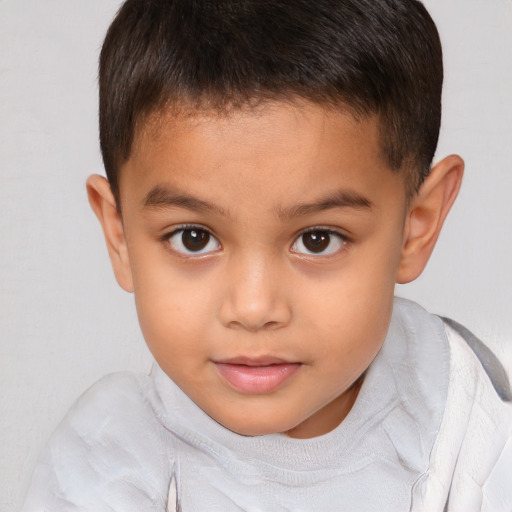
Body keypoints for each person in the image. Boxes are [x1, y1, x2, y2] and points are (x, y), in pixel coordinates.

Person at [22, 0, 512, 510]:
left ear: (417, 226)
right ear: (119, 234)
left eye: (318, 239)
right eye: (193, 238)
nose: (254, 309)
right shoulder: (102, 463)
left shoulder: (472, 430)